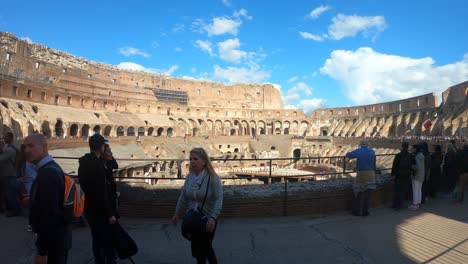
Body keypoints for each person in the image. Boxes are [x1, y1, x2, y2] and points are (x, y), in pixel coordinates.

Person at [172, 148, 223, 264]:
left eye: (195, 159)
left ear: (204, 161)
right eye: (190, 159)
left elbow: (219, 198)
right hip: (194, 219)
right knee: (200, 250)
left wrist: (213, 217)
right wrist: (177, 213)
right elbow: (183, 197)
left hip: (208, 218)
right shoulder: (189, 177)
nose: (192, 161)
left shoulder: (213, 178)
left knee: (206, 248)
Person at [26, 133, 71, 263]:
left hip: (54, 244)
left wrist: (42, 251)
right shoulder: (51, 168)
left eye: (31, 146)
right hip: (59, 239)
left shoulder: (47, 173)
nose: (27, 150)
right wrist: (34, 199)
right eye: (25, 147)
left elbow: (50, 216)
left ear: (44, 148)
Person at [78, 134, 117, 264]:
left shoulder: (83, 162)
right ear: (100, 147)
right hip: (99, 210)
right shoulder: (97, 165)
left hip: (88, 207)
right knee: (106, 238)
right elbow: (102, 193)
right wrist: (110, 214)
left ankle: (98, 260)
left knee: (96, 238)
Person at [346, 140, 376, 217]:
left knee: (358, 192)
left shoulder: (359, 151)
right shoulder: (372, 151)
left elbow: (348, 155)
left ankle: (356, 211)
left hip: (362, 174)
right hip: (371, 174)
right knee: (368, 194)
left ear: (361, 145)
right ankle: (365, 211)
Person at [0, 131, 21, 217]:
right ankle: (11, 209)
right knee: (9, 193)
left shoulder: (10, 150)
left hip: (9, 174)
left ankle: (14, 211)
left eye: (5, 137)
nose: (4, 138)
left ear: (10, 138)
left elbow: (1, 159)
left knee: (10, 194)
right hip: (10, 173)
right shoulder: (13, 147)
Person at [391, 142, 414, 210]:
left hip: (399, 175)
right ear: (408, 147)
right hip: (407, 175)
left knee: (397, 190)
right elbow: (413, 165)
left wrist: (393, 174)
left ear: (402, 146)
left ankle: (395, 205)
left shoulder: (398, 155)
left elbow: (394, 166)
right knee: (403, 190)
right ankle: (400, 205)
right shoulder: (410, 155)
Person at [409, 144, 424, 210]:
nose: (412, 149)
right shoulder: (421, 155)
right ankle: (418, 203)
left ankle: (415, 205)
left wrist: (411, 166)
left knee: (415, 190)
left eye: (413, 148)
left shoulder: (417, 156)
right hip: (421, 174)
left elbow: (418, 166)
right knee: (419, 189)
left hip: (416, 175)